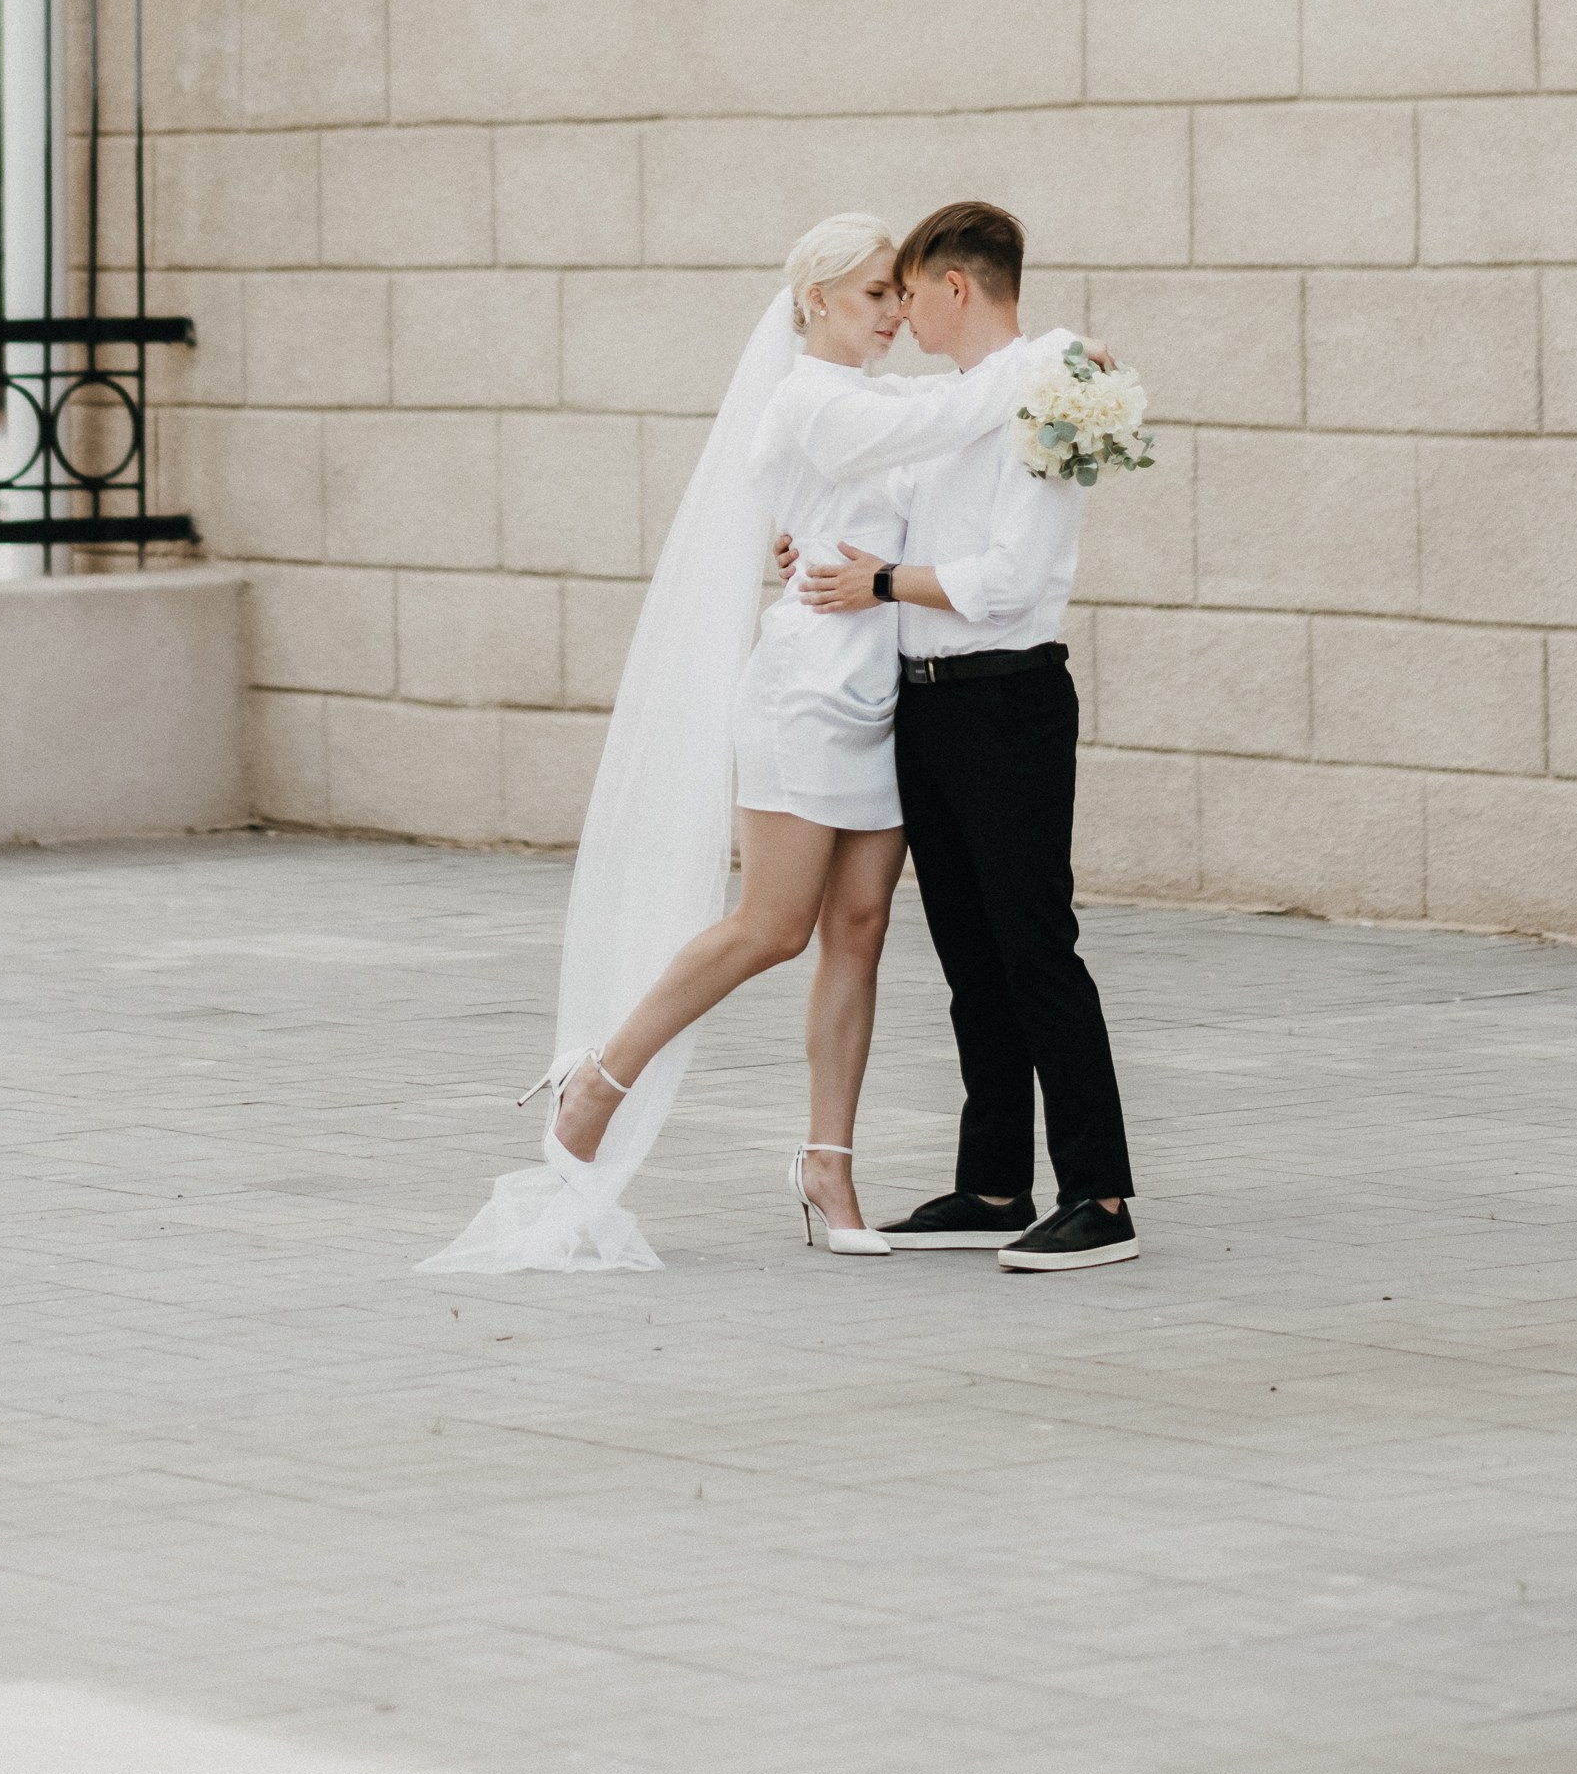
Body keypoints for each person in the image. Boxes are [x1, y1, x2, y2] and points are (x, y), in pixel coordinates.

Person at [421, 217, 1029, 1276]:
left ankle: (827, 1164)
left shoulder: (882, 400)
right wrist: (1054, 361)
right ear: (813, 304)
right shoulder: (810, 398)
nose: (892, 310)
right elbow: (953, 412)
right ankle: (601, 1076)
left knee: (859, 925)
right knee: (771, 924)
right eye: (871, 294)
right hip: (803, 689)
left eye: (897, 293)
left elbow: (935, 458)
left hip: (883, 686)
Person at [792, 200, 1138, 1275]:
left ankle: (1101, 1192)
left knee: (1034, 945)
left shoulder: (1052, 387)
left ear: (953, 286)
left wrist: (883, 581)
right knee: (966, 952)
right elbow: (886, 509)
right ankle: (993, 1182)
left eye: (906, 290)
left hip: (1006, 698)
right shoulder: (951, 406)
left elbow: (1009, 578)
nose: (898, 310)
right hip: (926, 697)